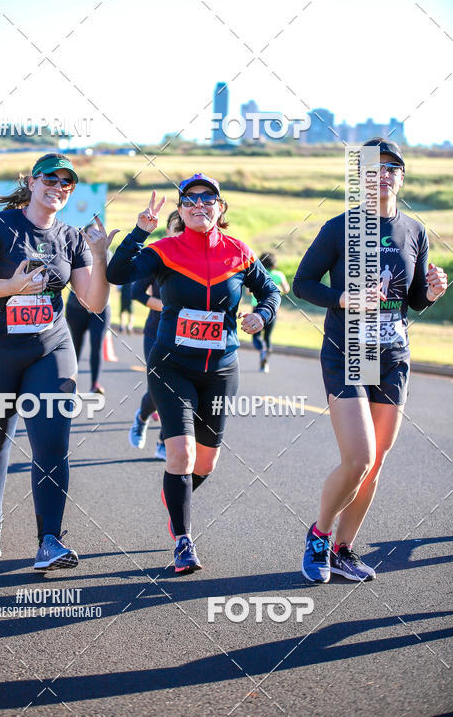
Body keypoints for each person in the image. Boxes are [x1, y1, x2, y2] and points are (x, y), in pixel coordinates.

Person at [107, 174, 281, 573]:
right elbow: (117, 275)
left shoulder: (239, 252)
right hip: (172, 365)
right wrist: (139, 232)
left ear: (221, 208)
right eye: (189, 199)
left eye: (208, 198)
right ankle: (184, 540)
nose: (199, 204)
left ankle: (177, 499)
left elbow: (270, 292)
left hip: (221, 370)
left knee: (205, 464)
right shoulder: (165, 249)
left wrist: (261, 313)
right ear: (181, 210)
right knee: (181, 455)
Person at [293, 139, 448, 583]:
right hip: (349, 350)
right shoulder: (341, 226)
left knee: (376, 461)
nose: (382, 174)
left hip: (394, 353)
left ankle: (343, 550)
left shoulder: (413, 231)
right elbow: (302, 283)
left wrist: (432, 292)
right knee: (358, 457)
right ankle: (319, 536)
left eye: (391, 167)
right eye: (372, 168)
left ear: (402, 176)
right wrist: (342, 296)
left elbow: (413, 298)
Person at [0, 153, 115, 570]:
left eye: (67, 182)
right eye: (51, 178)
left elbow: (92, 301)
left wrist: (100, 257)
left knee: (51, 442)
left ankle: (50, 541)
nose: (59, 186)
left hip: (49, 349)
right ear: (32, 181)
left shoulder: (70, 237)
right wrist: (10, 285)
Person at [128, 209, 182, 460]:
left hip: (188, 336)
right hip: (156, 332)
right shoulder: (157, 256)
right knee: (160, 386)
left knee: (179, 389)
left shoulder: (203, 259)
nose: (182, 229)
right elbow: (136, 293)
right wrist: (169, 308)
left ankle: (164, 441)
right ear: (168, 231)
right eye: (176, 226)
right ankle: (141, 418)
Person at [65, 224, 112, 395]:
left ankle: (95, 384)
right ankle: (72, 384)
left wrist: (102, 255)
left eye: (97, 235)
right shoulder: (76, 253)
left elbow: (113, 278)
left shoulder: (107, 253)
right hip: (76, 308)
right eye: (89, 235)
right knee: (75, 346)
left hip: (100, 310)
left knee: (96, 345)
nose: (93, 238)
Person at [251, 252, 290, 373]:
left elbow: (248, 291)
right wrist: (275, 294)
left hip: (256, 310)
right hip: (272, 311)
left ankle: (261, 349)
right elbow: (286, 289)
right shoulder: (279, 275)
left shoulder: (257, 274)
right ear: (274, 264)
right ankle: (265, 360)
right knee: (267, 336)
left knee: (256, 335)